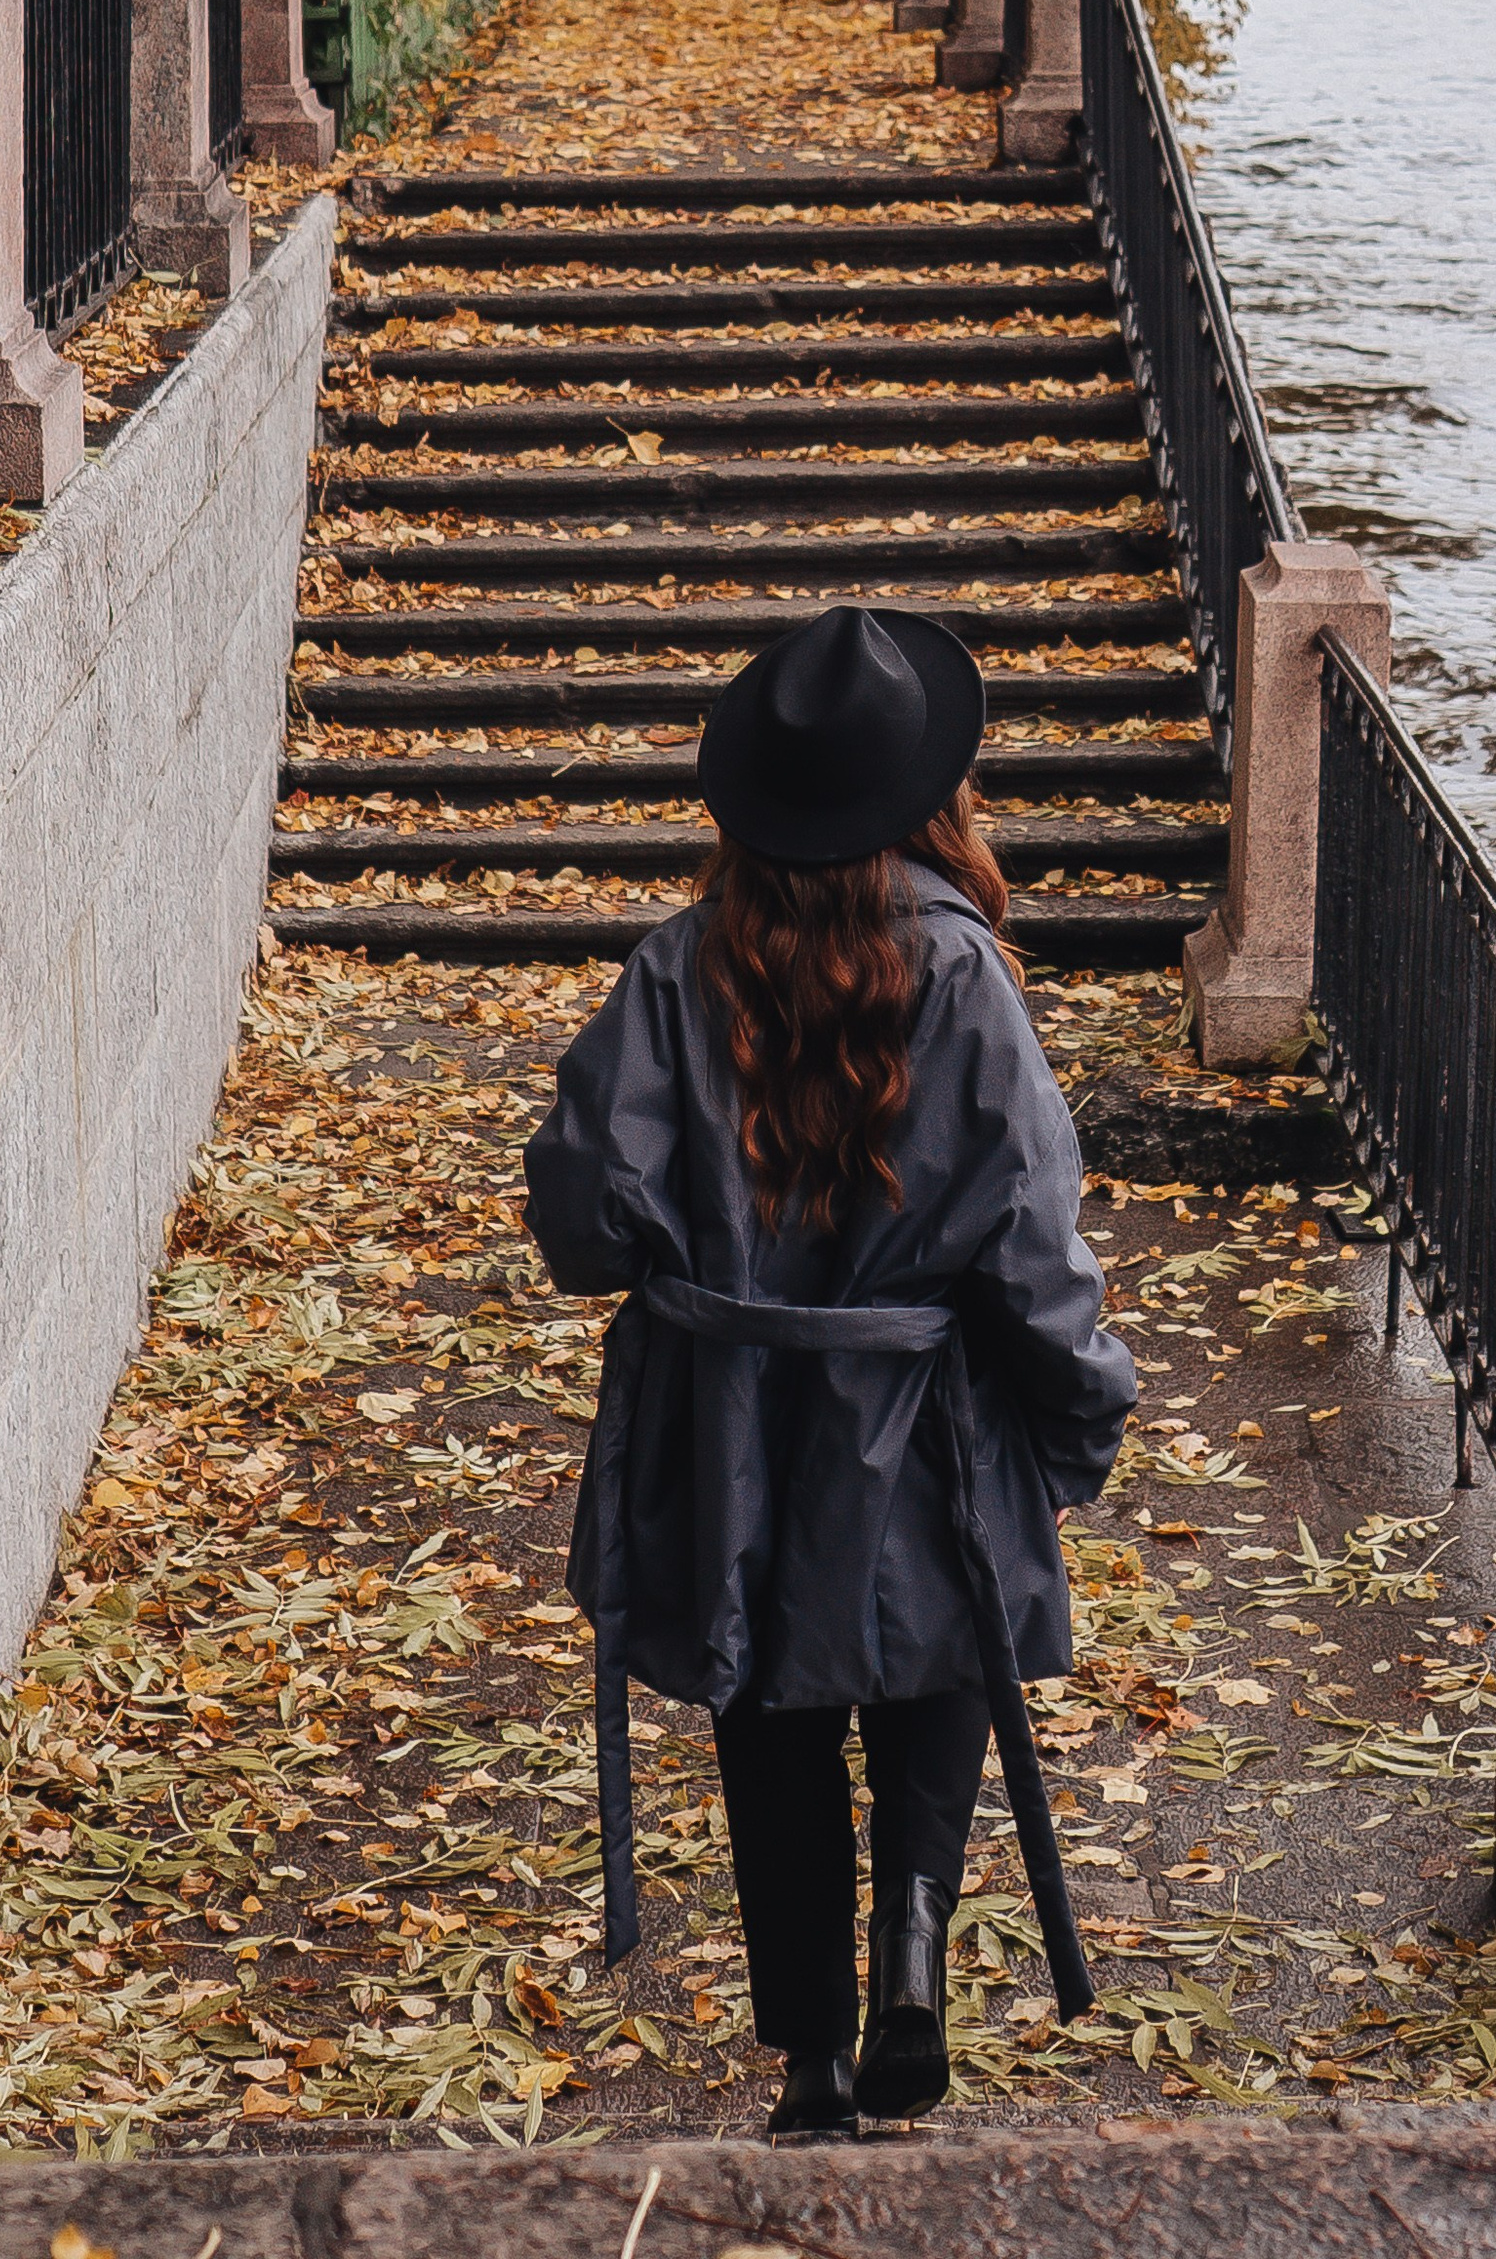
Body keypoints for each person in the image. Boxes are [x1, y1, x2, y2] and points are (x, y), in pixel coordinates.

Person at [524, 602, 1136, 2139]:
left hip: (732, 1427)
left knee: (770, 1705)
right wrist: (1077, 1408)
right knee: (938, 1658)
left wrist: (692, 1278)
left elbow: (582, 1215)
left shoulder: (676, 971)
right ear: (932, 800)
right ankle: (914, 1948)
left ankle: (812, 2054)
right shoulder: (966, 975)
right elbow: (1030, 1223)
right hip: (928, 1420)